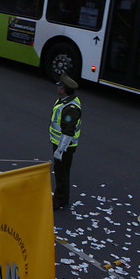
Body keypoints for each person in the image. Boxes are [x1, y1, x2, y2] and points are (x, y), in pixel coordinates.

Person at [50, 73, 82, 211]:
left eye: (60, 86)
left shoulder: (70, 108)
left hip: (65, 146)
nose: (58, 88)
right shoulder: (67, 100)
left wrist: (60, 150)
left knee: (61, 172)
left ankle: (59, 200)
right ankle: (63, 197)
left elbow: (68, 132)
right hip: (62, 144)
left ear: (63, 89)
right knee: (62, 171)